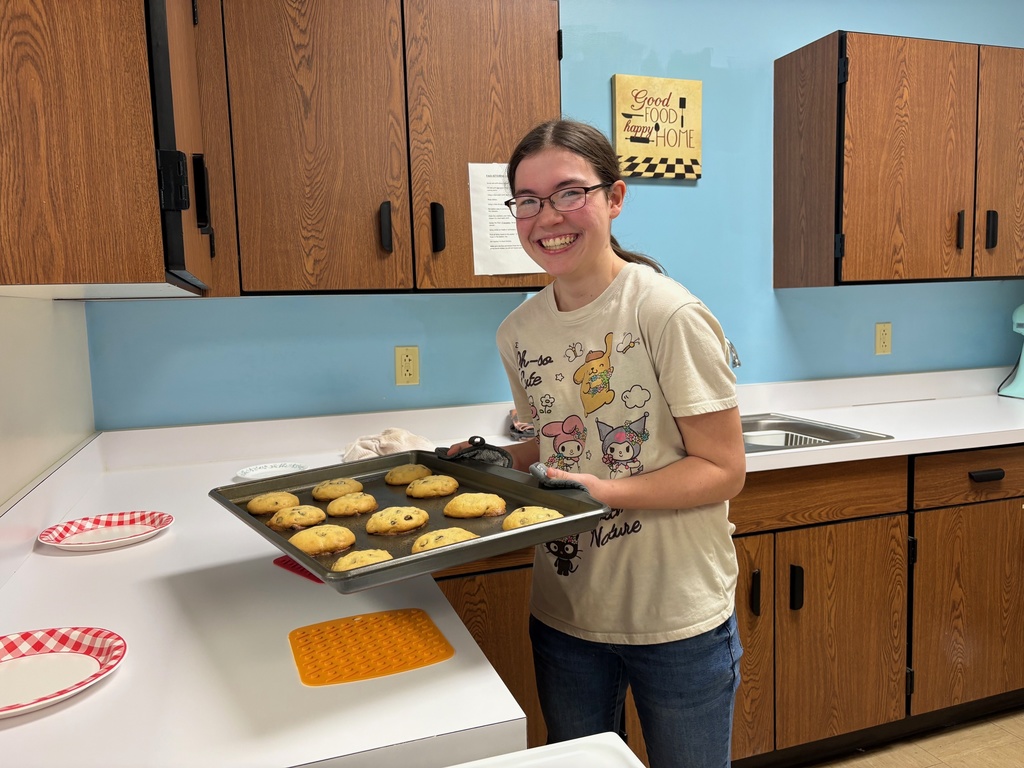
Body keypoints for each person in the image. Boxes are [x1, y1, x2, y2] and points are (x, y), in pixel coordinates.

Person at [449, 118, 746, 768]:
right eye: (527, 199)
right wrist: (489, 460)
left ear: (614, 198)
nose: (545, 216)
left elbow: (724, 469)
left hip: (676, 618)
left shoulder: (666, 314)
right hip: (566, 610)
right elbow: (559, 438)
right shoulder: (518, 332)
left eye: (567, 193)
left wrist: (603, 492)